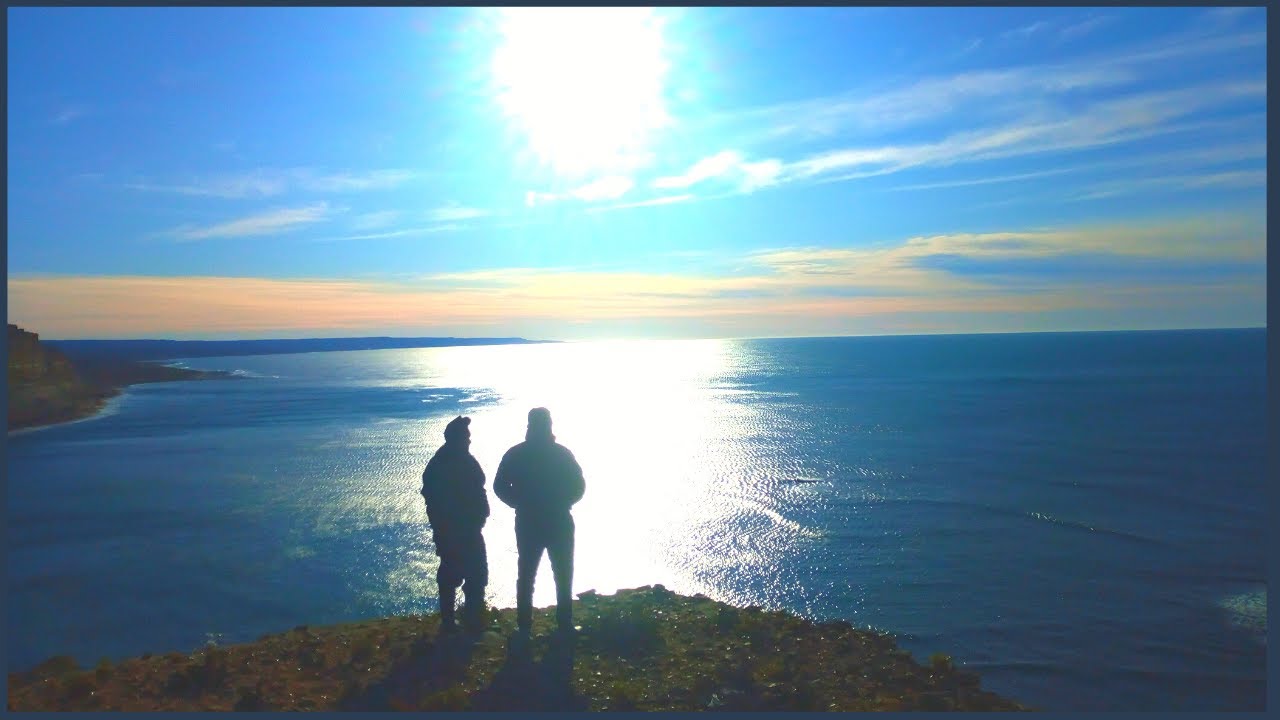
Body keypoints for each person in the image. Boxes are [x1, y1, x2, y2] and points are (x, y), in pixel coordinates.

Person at [494, 407, 585, 636]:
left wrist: (519, 503)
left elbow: (499, 487)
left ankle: (525, 625)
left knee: (528, 572)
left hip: (530, 520)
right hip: (557, 519)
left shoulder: (516, 454)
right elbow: (579, 485)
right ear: (549, 425)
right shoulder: (561, 454)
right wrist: (564, 502)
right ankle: (562, 624)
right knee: (561, 571)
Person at [421, 415, 490, 632]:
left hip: (468, 529)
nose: (469, 440)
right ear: (456, 438)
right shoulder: (443, 464)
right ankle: (451, 622)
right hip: (454, 531)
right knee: (454, 575)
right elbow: (434, 501)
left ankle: (471, 619)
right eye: (466, 437)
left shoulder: (460, 460)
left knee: (476, 574)